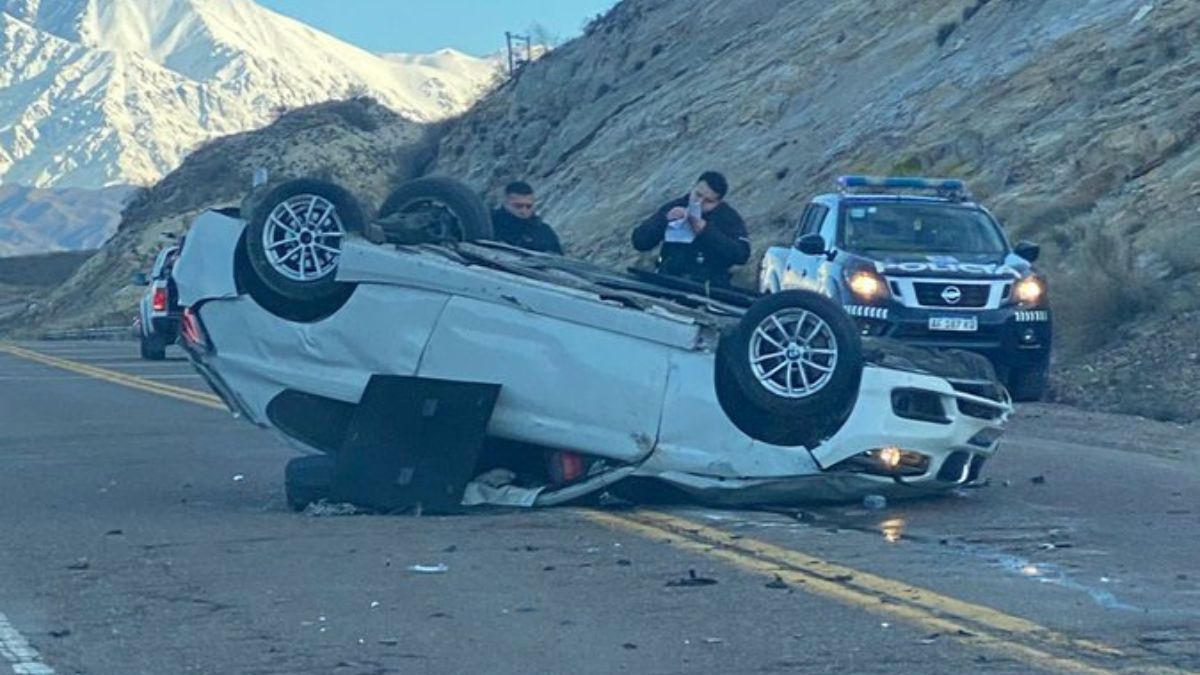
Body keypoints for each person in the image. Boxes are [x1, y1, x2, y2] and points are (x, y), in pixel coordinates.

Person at [631, 171, 751, 287]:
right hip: (669, 279)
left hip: (708, 285)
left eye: (708, 201)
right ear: (693, 188)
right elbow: (639, 241)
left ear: (718, 202)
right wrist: (664, 220)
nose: (699, 202)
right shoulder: (676, 206)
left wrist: (706, 231)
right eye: (698, 195)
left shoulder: (728, 217)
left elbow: (741, 254)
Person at [490, 181, 563, 254]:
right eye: (518, 206)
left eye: (528, 206)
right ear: (505, 203)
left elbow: (557, 259)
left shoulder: (544, 231)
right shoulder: (489, 224)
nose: (523, 211)